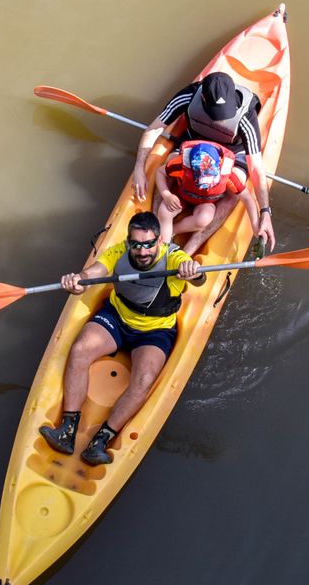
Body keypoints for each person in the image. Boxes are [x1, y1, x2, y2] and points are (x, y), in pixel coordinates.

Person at [38, 212, 205, 466]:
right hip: (116, 318)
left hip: (155, 331)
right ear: (128, 242)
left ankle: (101, 441)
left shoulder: (174, 257)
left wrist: (193, 273)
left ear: (159, 241)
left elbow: (200, 280)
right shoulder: (119, 252)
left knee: (144, 380)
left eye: (148, 244)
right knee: (80, 350)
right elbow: (93, 272)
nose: (142, 251)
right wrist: (78, 281)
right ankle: (67, 430)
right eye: (136, 244)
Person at [128, 71, 276, 252]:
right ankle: (156, 231)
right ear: (203, 98)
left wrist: (265, 213)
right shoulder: (189, 95)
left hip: (230, 154)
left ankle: (191, 246)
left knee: (234, 191)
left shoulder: (246, 116)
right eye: (216, 113)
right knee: (170, 163)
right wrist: (139, 168)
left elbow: (257, 170)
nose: (221, 117)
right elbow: (154, 129)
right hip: (194, 146)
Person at [152, 139, 262, 257]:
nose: (205, 185)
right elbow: (160, 173)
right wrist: (167, 195)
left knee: (204, 218)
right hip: (182, 196)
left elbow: (247, 198)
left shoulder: (228, 173)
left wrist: (255, 226)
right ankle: (163, 249)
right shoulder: (181, 164)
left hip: (205, 203)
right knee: (164, 211)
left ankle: (173, 230)